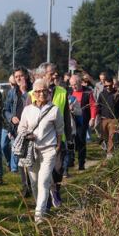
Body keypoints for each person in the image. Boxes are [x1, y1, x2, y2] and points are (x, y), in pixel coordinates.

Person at [17, 79, 63, 223]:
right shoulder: (27, 110)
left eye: (44, 90)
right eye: (38, 91)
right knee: (34, 182)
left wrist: (58, 146)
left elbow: (59, 129)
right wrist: (27, 135)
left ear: (48, 92)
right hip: (31, 151)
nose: (42, 93)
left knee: (43, 182)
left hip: (48, 150)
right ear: (33, 93)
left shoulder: (54, 109)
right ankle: (40, 206)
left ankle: (39, 215)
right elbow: (21, 127)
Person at [32, 63, 72, 208]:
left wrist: (69, 137)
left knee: (58, 168)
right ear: (42, 76)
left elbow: (66, 116)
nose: (54, 76)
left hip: (59, 138)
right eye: (51, 74)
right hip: (41, 139)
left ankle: (55, 190)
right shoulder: (31, 94)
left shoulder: (62, 92)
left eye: (55, 73)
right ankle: (49, 197)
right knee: (44, 170)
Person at [3, 66, 32, 197]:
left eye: (21, 76)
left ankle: (34, 187)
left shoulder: (32, 90)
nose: (19, 79)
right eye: (16, 77)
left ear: (26, 76)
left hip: (30, 130)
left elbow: (32, 106)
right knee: (21, 160)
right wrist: (11, 118)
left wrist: (25, 91)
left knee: (31, 160)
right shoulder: (12, 92)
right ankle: (25, 188)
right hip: (17, 131)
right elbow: (5, 110)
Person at [67, 74, 97, 171]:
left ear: (80, 82)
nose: (73, 87)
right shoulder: (69, 91)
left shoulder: (87, 91)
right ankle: (70, 161)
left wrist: (92, 118)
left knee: (81, 141)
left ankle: (81, 163)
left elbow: (93, 105)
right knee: (70, 140)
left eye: (75, 85)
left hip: (82, 120)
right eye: (71, 85)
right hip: (71, 120)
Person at [96, 76, 119, 158]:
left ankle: (110, 153)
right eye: (106, 86)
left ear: (112, 84)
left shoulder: (117, 94)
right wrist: (98, 117)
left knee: (111, 136)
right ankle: (107, 147)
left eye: (110, 85)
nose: (108, 87)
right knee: (105, 137)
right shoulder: (102, 94)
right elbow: (99, 106)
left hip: (113, 118)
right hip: (104, 118)